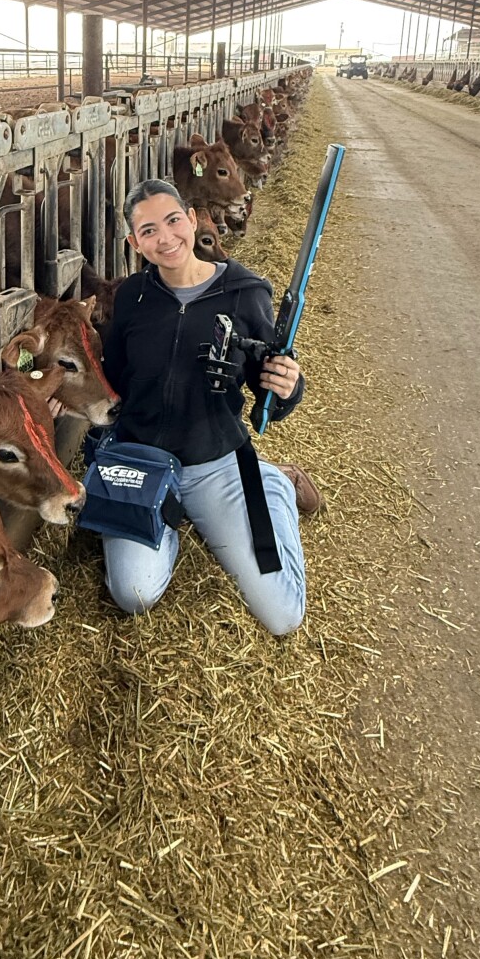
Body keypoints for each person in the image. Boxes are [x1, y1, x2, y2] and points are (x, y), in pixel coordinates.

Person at [99, 178, 321, 636]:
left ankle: (273, 483)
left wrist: (288, 387)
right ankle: (173, 519)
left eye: (173, 221)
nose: (166, 238)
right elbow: (114, 378)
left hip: (216, 463)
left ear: (192, 218)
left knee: (283, 616)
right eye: (148, 231)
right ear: (134, 243)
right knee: (134, 594)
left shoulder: (246, 292)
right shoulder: (131, 297)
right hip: (142, 462)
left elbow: (270, 393)